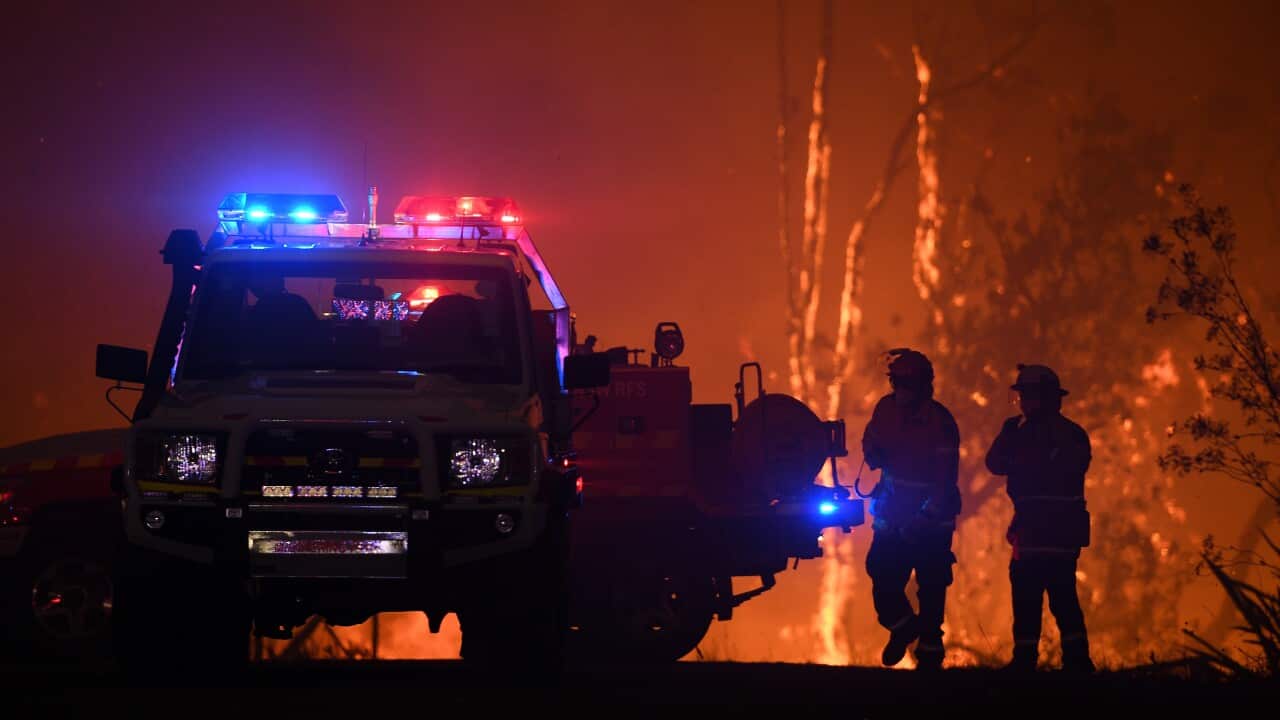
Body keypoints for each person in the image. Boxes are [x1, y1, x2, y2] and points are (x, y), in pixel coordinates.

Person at [985, 364, 1095, 673]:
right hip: (1053, 531)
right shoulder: (1072, 434)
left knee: (1029, 597)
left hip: (1041, 530)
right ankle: (1076, 662)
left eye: (1028, 395)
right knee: (1061, 598)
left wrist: (1012, 439)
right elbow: (996, 464)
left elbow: (997, 464)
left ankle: (1028, 662)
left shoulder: (1030, 434)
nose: (1023, 402)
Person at [861, 348, 961, 671]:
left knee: (931, 589)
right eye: (895, 382)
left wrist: (922, 521)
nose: (898, 389)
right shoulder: (885, 410)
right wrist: (873, 451)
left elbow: (944, 483)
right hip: (892, 518)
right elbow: (871, 443)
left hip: (931, 524)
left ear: (922, 385)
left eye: (905, 383)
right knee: (881, 575)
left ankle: (930, 658)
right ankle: (903, 629)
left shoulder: (941, 423)